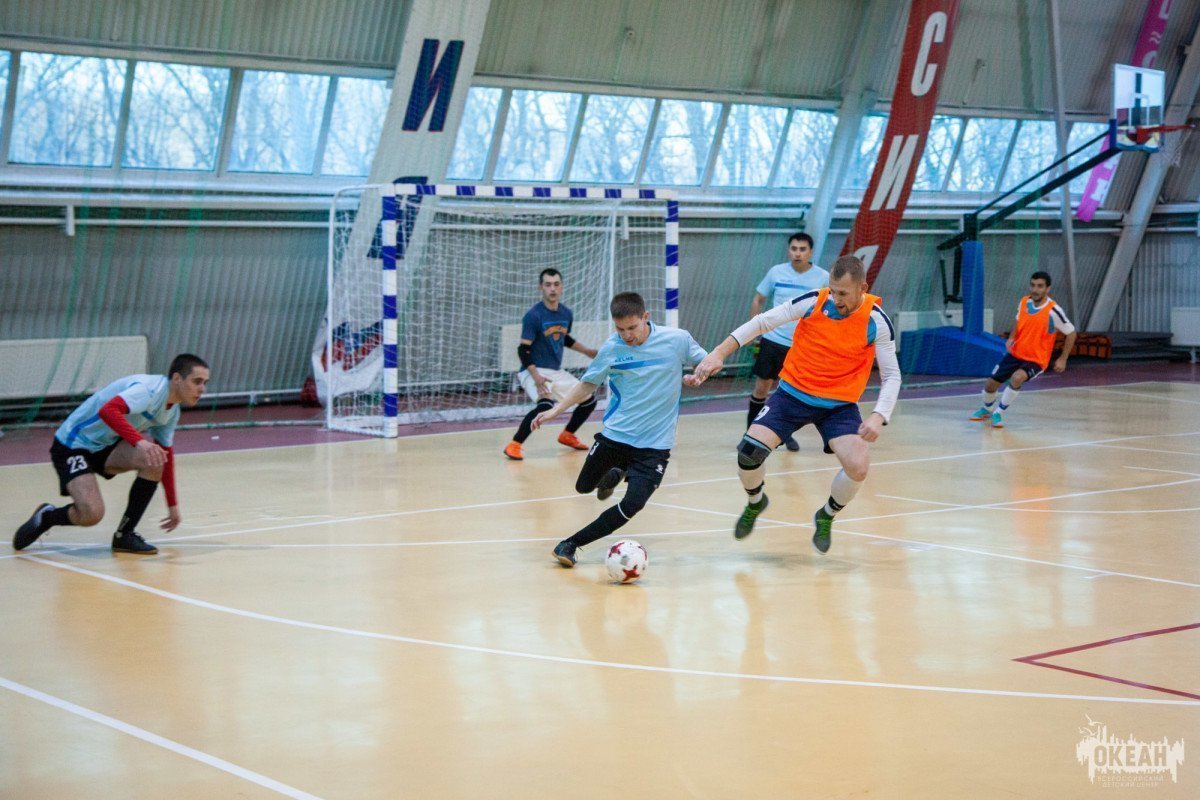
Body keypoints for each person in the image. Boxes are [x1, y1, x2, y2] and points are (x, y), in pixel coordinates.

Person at [687, 255, 900, 555]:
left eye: (843, 293)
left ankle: (826, 515)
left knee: (858, 467)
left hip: (838, 405)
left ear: (863, 288)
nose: (836, 299)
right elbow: (762, 322)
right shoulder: (814, 301)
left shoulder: (876, 321)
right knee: (748, 453)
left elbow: (891, 376)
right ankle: (755, 501)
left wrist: (879, 415)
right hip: (792, 395)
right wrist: (719, 353)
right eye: (833, 290)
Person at [533, 292, 707, 567]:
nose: (627, 336)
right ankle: (616, 472)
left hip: (655, 445)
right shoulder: (612, 348)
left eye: (632, 328)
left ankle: (570, 544)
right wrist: (556, 410)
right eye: (620, 329)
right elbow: (588, 384)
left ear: (645, 317)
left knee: (632, 505)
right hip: (616, 436)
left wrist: (698, 375)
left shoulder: (677, 339)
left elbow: (707, 362)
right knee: (583, 487)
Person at [12, 354, 210, 555]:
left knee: (155, 460)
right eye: (197, 381)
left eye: (205, 383)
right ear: (177, 379)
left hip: (106, 445)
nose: (202, 389)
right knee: (92, 514)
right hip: (73, 443)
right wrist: (139, 441)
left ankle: (125, 535)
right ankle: (47, 517)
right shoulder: (149, 391)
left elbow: (166, 455)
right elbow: (108, 411)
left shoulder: (171, 412)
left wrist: (173, 505)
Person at [503, 268, 599, 460]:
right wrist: (536, 376)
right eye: (548, 285)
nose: (552, 289)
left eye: (556, 284)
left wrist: (587, 351)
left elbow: (563, 338)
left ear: (561, 287)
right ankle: (514, 444)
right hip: (533, 369)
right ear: (541, 287)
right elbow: (523, 349)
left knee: (589, 399)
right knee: (545, 405)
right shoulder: (533, 315)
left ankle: (567, 434)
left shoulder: (566, 313)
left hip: (555, 370)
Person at [746, 232, 829, 451]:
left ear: (810, 252)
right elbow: (758, 299)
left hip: (801, 347)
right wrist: (753, 331)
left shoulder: (823, 277)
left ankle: (784, 435)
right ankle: (750, 436)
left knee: (794, 393)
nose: (797, 253)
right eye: (794, 249)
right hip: (772, 340)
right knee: (761, 388)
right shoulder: (776, 272)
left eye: (802, 249)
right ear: (788, 250)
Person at [969, 271, 1077, 428]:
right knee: (990, 384)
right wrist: (1011, 338)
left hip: (1037, 359)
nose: (1035, 289)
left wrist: (1063, 358)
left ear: (1048, 289)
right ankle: (987, 409)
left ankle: (998, 413)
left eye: (1040, 286)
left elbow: (1071, 333)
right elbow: (1019, 320)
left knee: (1017, 378)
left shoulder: (1054, 311)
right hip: (1017, 353)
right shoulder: (1024, 302)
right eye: (1033, 285)